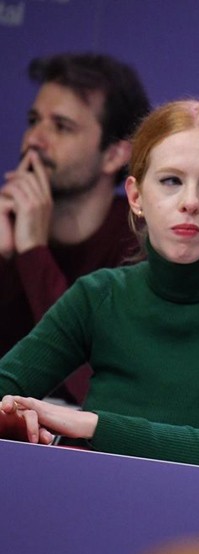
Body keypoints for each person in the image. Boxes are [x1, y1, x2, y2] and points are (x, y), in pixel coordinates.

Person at [0, 100, 199, 473]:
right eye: (171, 181)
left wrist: (91, 425)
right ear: (136, 196)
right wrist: (15, 421)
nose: (191, 202)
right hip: (88, 501)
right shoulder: (99, 296)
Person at [0, 53, 151, 404]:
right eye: (33, 120)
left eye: (61, 127)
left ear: (114, 154)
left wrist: (34, 253)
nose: (35, 139)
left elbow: (95, 385)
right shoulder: (6, 224)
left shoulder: (141, 243)